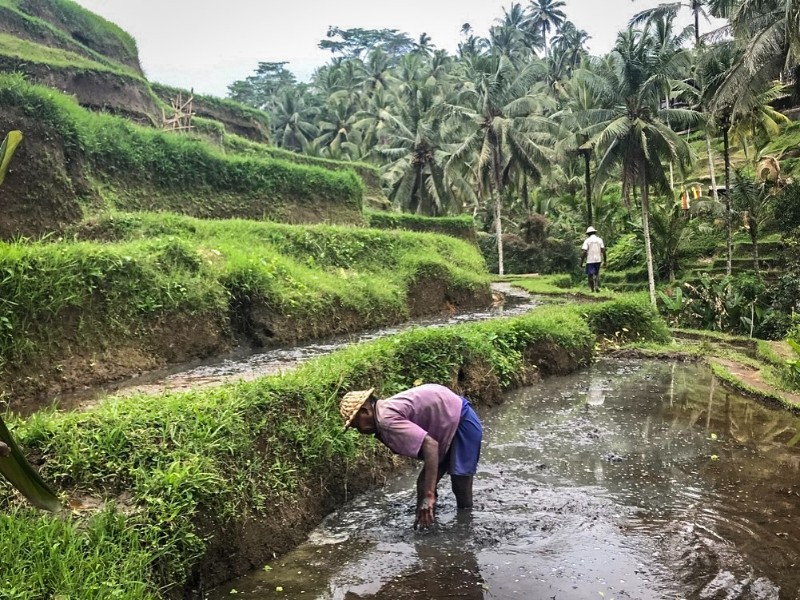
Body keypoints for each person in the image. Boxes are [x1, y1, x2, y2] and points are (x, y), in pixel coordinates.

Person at [340, 383, 483, 529]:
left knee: (460, 483)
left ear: (365, 411)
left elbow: (430, 445)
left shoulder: (386, 420)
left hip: (461, 420)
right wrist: (427, 491)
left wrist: (429, 495)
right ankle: (424, 528)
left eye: (356, 425)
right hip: (445, 421)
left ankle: (465, 528)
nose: (359, 430)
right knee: (423, 484)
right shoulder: (383, 411)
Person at [580, 226, 607, 292]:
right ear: (594, 232)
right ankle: (596, 286)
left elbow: (584, 252)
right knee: (596, 274)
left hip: (590, 260)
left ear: (588, 234)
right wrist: (605, 261)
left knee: (590, 275)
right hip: (598, 259)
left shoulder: (587, 241)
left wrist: (581, 262)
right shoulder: (599, 240)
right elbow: (603, 250)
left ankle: (592, 289)